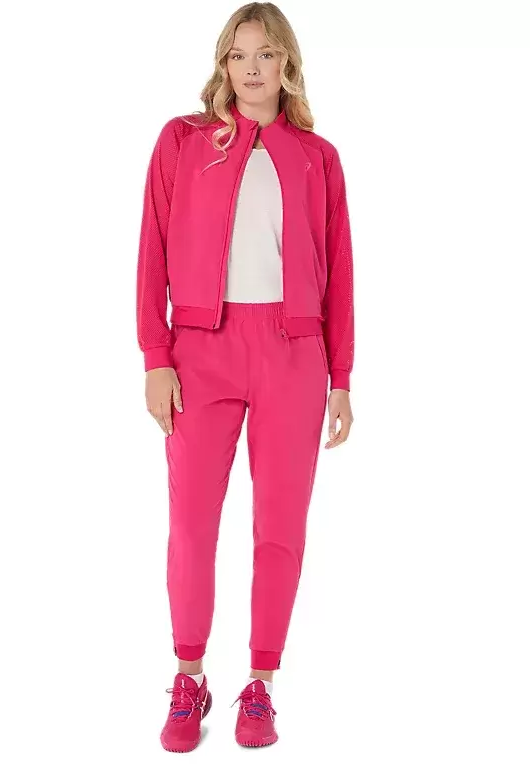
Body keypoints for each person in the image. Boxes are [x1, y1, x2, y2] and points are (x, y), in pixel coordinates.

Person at [135, 2, 355, 751]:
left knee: (281, 526)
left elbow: (340, 273)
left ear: (287, 64)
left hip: (295, 354)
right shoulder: (182, 141)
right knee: (191, 524)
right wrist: (156, 356)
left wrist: (341, 376)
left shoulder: (317, 157)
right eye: (238, 54)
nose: (251, 68)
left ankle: (260, 684)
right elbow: (151, 251)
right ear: (222, 64)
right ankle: (189, 677)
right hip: (202, 348)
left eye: (265, 54)